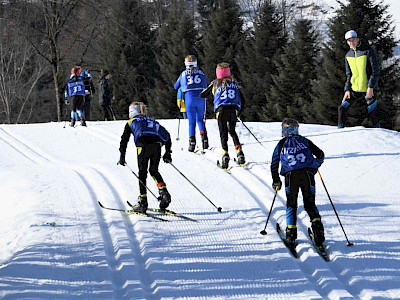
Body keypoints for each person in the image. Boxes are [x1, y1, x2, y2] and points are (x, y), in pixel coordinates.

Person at [270, 118, 325, 247]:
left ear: (284, 131)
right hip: (307, 175)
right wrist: (315, 166)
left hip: (291, 176)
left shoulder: (281, 144)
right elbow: (321, 155)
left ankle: (290, 233)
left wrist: (276, 180)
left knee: (291, 204)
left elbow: (274, 164)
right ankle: (318, 231)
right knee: (310, 204)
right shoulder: (305, 141)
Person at [118, 102, 173, 213]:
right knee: (153, 170)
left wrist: (122, 156)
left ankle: (143, 201)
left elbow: (124, 140)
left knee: (142, 173)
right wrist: (168, 153)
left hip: (143, 145)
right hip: (157, 145)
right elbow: (167, 135)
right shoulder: (151, 120)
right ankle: (164, 193)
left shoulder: (131, 122)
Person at [200, 62, 245, 169]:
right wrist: (240, 111)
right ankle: (239, 153)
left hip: (221, 110)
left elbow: (203, 94)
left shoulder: (215, 83)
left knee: (223, 133)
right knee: (232, 131)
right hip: (233, 109)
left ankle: (225, 154)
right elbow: (242, 99)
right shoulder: (234, 83)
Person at [339, 30, 380, 129]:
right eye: (349, 41)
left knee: (373, 111)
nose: (351, 43)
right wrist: (347, 89)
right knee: (342, 108)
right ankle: (339, 132)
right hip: (354, 90)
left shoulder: (368, 51)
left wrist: (370, 87)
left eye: (353, 40)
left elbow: (375, 71)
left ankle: (379, 133)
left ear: (357, 39)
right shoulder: (348, 55)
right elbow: (349, 74)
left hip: (368, 89)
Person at [174, 55, 209, 151]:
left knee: (191, 122)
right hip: (200, 97)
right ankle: (205, 140)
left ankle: (192, 143)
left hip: (189, 98)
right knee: (200, 120)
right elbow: (206, 84)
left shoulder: (183, 74)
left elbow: (176, 86)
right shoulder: (201, 73)